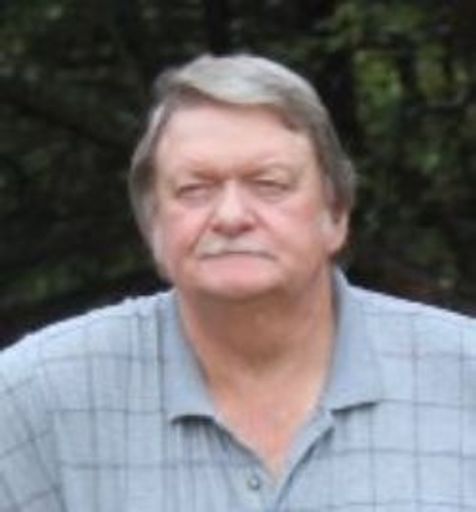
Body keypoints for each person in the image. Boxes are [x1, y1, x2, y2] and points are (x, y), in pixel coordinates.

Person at [0, 54, 475, 512]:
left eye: (269, 184)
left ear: (335, 214)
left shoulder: (463, 379)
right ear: (154, 228)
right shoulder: (36, 400)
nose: (230, 216)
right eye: (194, 189)